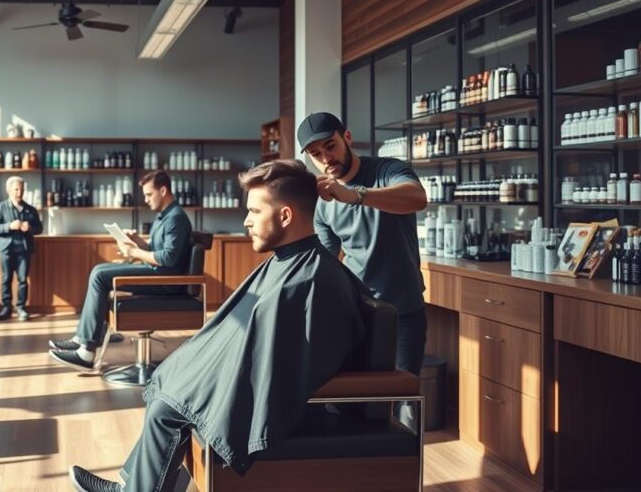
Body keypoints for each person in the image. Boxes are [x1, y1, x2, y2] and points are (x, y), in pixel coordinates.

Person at [68, 159, 367, 492]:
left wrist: (214, 375)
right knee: (168, 385)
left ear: (285, 216)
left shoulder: (311, 279)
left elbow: (285, 362)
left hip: (278, 394)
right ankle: (131, 487)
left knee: (166, 411)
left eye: (254, 212)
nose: (246, 221)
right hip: (247, 369)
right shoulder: (290, 263)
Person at [297, 111, 429, 380]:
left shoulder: (388, 170)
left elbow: (417, 198)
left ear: (347, 137)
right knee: (361, 399)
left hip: (404, 310)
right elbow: (326, 262)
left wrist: (355, 195)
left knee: (405, 398)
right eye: (315, 154)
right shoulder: (323, 204)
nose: (326, 159)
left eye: (330, 146)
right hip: (357, 313)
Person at [49, 171, 192, 371]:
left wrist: (134, 251)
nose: (146, 200)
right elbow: (158, 251)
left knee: (100, 275)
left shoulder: (176, 218)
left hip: (164, 281)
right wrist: (139, 242)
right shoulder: (165, 216)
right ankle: (82, 339)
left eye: (149, 195)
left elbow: (168, 259)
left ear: (163, 190)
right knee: (99, 269)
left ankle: (87, 352)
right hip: (156, 273)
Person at [0, 176, 43, 322]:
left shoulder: (30, 209)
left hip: (24, 250)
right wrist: (8, 226)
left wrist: (30, 228)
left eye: (22, 190)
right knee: (6, 279)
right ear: (8, 190)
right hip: (6, 250)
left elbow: (40, 229)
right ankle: (6, 308)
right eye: (16, 189)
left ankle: (21, 308)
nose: (19, 193)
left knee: (23, 280)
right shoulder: (1, 207)